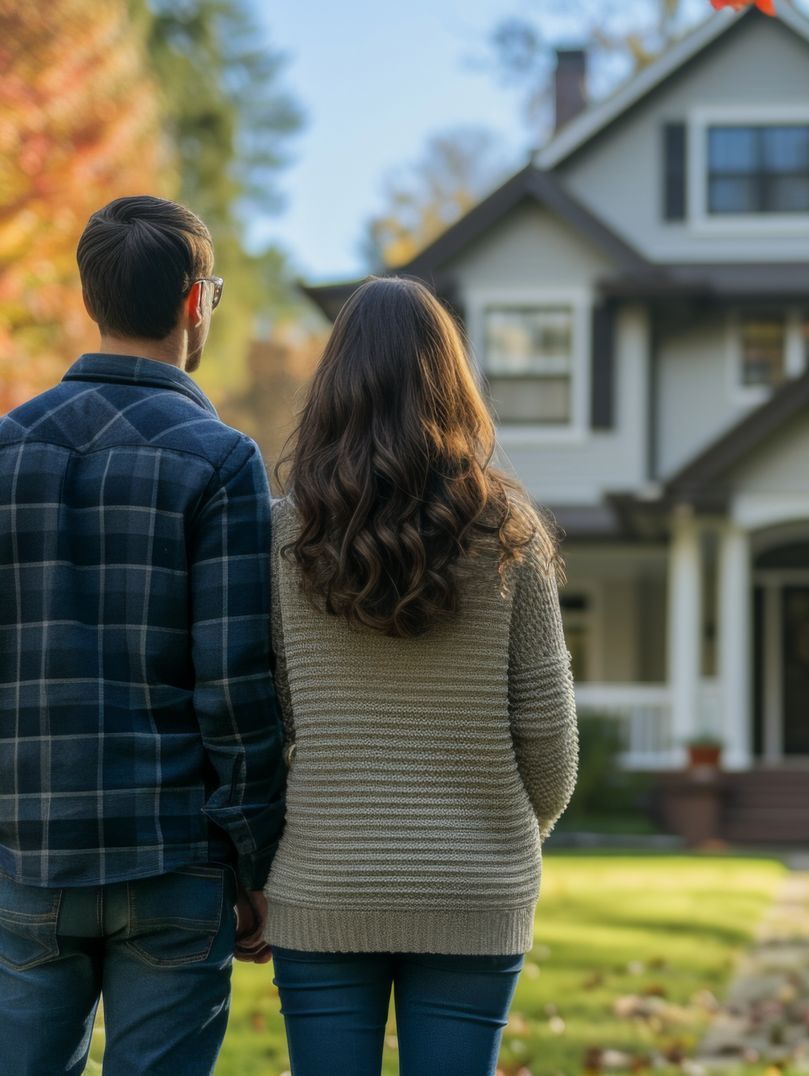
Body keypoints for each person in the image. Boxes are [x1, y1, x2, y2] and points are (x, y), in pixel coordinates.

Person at [0, 195, 286, 1075]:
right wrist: (253, 861)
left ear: (93, 299)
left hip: (36, 860)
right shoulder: (222, 461)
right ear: (197, 302)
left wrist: (5, 820)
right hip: (173, 861)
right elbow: (234, 691)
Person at [266, 276, 579, 1075]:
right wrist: (501, 836)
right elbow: (549, 743)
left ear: (335, 386)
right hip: (475, 886)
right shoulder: (511, 534)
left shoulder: (284, 535)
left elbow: (271, 723)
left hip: (326, 881)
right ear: (453, 383)